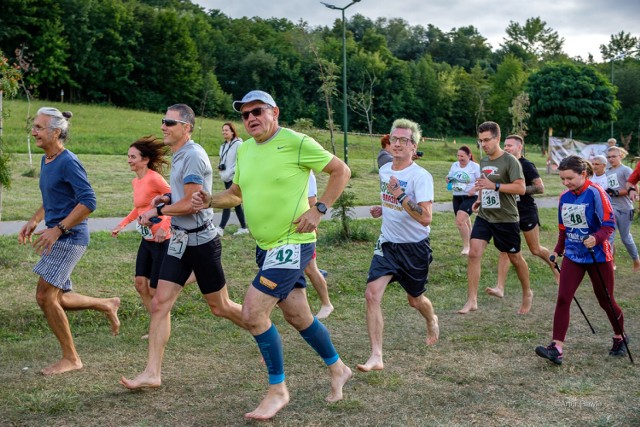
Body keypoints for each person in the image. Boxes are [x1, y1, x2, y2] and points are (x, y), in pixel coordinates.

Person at [192, 90, 352, 420]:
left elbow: (341, 171)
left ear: (274, 112)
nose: (251, 118)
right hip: (266, 248)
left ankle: (277, 389)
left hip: (292, 243)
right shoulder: (246, 150)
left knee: (252, 313)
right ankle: (339, 368)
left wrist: (319, 209)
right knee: (298, 317)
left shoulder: (297, 142)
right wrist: (209, 200)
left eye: (257, 111)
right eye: (245, 114)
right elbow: (236, 195)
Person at [120, 104, 246, 390]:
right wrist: (165, 200)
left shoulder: (192, 157)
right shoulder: (180, 154)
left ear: (186, 127)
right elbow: (181, 197)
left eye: (170, 122)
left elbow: (192, 203)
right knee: (159, 303)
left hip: (201, 242)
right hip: (179, 241)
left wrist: (157, 213)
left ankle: (261, 328)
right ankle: (152, 373)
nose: (163, 126)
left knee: (220, 306)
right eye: (163, 121)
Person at [18, 107, 120, 375]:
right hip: (58, 234)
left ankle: (72, 358)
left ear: (56, 132)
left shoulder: (68, 161)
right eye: (34, 126)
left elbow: (89, 201)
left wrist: (59, 229)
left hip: (69, 236)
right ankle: (106, 303)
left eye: (39, 127)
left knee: (44, 296)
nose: (34, 131)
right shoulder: (48, 160)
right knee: (58, 297)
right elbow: (54, 196)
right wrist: (35, 220)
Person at [356, 118, 439, 373]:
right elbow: (394, 201)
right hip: (388, 244)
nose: (398, 144)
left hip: (414, 248)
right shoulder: (385, 170)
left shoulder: (420, 176)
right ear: (389, 142)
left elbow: (425, 217)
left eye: (404, 140)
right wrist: (384, 208)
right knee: (372, 295)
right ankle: (376, 356)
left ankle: (432, 319)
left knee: (415, 300)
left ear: (413, 146)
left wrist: (399, 196)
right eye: (395, 139)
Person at [536, 155, 627, 365]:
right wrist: (558, 250)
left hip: (598, 255)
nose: (566, 183)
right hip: (574, 255)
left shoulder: (596, 193)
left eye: (569, 178)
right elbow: (563, 228)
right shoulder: (564, 197)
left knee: (605, 300)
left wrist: (596, 238)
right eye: (562, 179)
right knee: (563, 298)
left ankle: (620, 336)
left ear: (583, 174)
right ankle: (556, 348)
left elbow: (609, 224)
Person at [457, 121, 532, 315]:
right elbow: (484, 183)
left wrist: (495, 186)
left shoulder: (510, 161)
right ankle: (472, 300)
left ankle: (527, 293)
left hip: (506, 218)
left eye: (487, 140)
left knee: (515, 258)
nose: (483, 144)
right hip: (486, 216)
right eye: (480, 141)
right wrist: (480, 200)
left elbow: (521, 188)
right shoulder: (484, 160)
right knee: (474, 253)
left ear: (497, 138)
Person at [486, 135, 560, 298]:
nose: (506, 148)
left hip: (526, 212)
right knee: (505, 250)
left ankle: (556, 269)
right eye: (505, 145)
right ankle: (500, 287)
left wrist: (517, 188)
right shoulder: (503, 163)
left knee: (535, 249)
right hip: (508, 213)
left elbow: (540, 188)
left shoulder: (526, 165)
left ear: (520, 147)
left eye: (510, 146)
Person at [111, 136, 172, 314]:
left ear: (145, 160)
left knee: (155, 289)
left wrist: (164, 227)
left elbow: (173, 202)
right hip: (147, 238)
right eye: (128, 156)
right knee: (140, 284)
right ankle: (155, 321)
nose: (129, 160)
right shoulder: (136, 181)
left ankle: (160, 321)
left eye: (133, 157)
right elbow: (138, 208)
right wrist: (121, 225)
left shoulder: (155, 178)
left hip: (162, 240)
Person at [604, 146, 640, 271]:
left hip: (625, 208)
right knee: (610, 237)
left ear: (621, 156)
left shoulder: (625, 170)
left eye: (614, 156)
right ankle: (610, 263)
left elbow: (635, 188)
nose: (611, 159)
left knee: (626, 238)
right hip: (612, 208)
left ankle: (636, 260)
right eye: (608, 157)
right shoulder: (607, 171)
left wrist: (616, 193)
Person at [305, 171, 334, 319]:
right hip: (285, 229)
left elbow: (312, 202)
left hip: (303, 228)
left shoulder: (307, 174)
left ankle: (326, 304)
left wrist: (314, 225)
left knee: (310, 269)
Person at [446, 145, 481, 255]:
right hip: (457, 196)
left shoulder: (474, 166)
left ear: (469, 156)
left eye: (462, 156)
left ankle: (467, 247)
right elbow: (449, 178)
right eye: (458, 155)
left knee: (460, 221)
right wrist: (448, 179)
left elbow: (481, 182)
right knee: (464, 220)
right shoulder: (455, 165)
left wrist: (474, 189)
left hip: (471, 197)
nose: (460, 158)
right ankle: (471, 241)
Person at [217, 122, 249, 236]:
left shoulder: (239, 144)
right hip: (225, 177)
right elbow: (223, 159)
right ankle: (244, 227)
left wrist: (232, 172)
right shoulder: (223, 145)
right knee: (236, 203)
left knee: (228, 201)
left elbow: (242, 161)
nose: (224, 132)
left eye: (226, 130)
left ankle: (221, 228)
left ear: (232, 131)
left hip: (234, 178)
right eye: (223, 130)